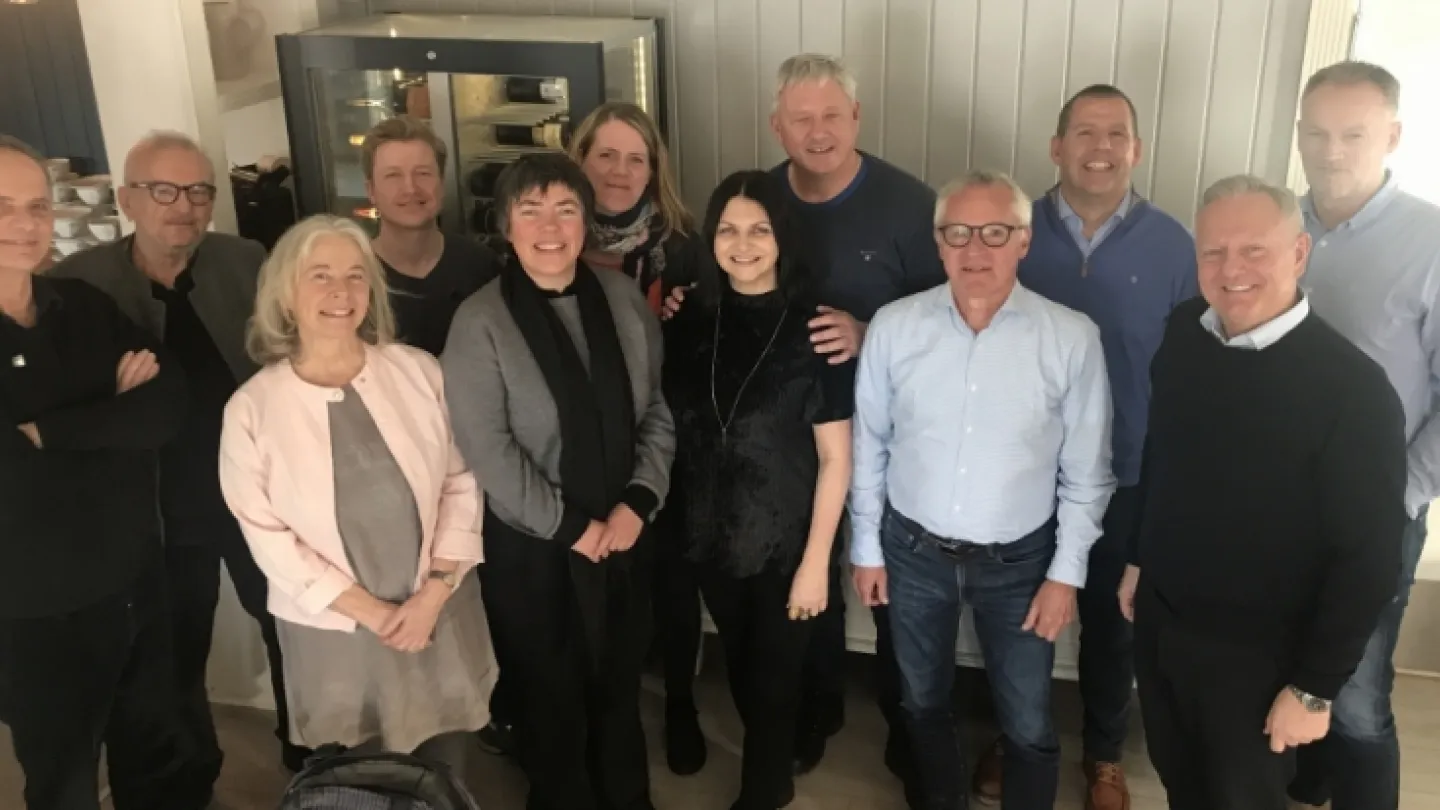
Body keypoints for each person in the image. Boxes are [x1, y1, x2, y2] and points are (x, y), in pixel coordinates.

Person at [668, 53, 945, 785]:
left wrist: (869, 332)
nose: (817, 131)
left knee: (881, 600)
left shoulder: (908, 206)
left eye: (831, 115)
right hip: (776, 456)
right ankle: (805, 724)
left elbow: (950, 319)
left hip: (890, 442)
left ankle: (907, 739)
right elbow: (716, 298)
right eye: (801, 118)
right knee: (793, 613)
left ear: (855, 117)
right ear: (777, 125)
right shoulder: (759, 199)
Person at [1118, 175, 1408, 810]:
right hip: (1166, 625)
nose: (1231, 270)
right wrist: (1141, 558)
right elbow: (1161, 457)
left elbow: (1368, 559)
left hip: (1260, 657)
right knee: (1181, 785)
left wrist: (1314, 689)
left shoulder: (1353, 393)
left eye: (1254, 250)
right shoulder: (1183, 332)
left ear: (1299, 254)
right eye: (1214, 252)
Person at [48, 130, 310, 781]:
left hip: (257, 504)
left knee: (295, 631)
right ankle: (187, 776)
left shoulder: (245, 260)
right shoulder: (78, 282)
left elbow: (290, 363)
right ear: (128, 199)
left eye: (198, 191)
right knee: (171, 654)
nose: (183, 207)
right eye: (163, 190)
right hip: (156, 516)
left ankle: (311, 758)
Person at [852, 169, 1114, 810]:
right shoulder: (894, 327)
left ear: (1023, 241)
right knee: (921, 702)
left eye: (995, 232)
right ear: (938, 243)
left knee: (1027, 720)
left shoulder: (1070, 337)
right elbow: (870, 444)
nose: (975, 249)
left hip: (1021, 564)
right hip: (911, 553)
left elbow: (1088, 470)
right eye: (958, 233)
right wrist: (866, 548)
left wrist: (1066, 575)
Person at [217, 215, 496, 773]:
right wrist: (375, 614)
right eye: (319, 276)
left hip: (436, 606)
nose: (340, 292)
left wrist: (432, 595)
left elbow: (461, 481)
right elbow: (267, 538)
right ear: (286, 294)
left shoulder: (418, 371)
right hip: (336, 628)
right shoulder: (252, 408)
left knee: (446, 752)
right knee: (360, 772)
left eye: (355, 276)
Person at [442, 153, 674, 810]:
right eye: (531, 209)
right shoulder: (480, 322)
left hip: (625, 536)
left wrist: (638, 501)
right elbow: (487, 447)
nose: (550, 226)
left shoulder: (625, 302)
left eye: (566, 208)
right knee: (552, 696)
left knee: (619, 687)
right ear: (506, 225)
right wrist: (572, 527)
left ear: (586, 221)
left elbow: (655, 408)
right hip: (536, 551)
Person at [998, 84, 1198, 810]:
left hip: (1129, 472)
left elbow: (1191, 372)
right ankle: (1016, 737)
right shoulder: (1012, 232)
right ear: (1057, 147)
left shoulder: (1177, 247)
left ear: (1136, 150)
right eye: (1085, 132)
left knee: (1114, 622)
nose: (1101, 148)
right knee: (1020, 617)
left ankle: (1106, 755)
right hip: (1024, 469)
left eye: (1117, 134)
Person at [0, 135, 205, 810]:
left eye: (36, 205)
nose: (26, 224)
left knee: (158, 763)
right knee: (64, 783)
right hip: (34, 615)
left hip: (134, 583)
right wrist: (111, 414)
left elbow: (168, 405)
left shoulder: (80, 306)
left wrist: (48, 433)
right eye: (2, 208)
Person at [664, 169, 853, 809]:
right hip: (707, 535)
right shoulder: (688, 317)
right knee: (744, 675)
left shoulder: (816, 330)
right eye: (728, 230)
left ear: (783, 238)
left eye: (759, 230)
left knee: (774, 682)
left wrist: (816, 567)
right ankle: (769, 764)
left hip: (786, 544)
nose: (742, 244)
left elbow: (836, 459)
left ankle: (764, 793)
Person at [1286, 61, 1440, 810]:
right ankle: (1307, 787)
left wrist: (1399, 495)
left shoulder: (1432, 240)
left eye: (1353, 133)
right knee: (1290, 669)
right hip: (1278, 507)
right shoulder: (1277, 228)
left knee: (1354, 696)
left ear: (1394, 136)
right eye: (1317, 132)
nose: (1332, 150)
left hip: (1376, 513)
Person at [567, 100, 707, 775]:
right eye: (606, 155)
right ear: (579, 160)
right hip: (577, 452)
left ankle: (680, 700)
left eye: (636, 158)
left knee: (672, 584)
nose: (620, 171)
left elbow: (703, 359)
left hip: (663, 445)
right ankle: (596, 712)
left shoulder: (681, 250)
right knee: (591, 588)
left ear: (654, 171)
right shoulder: (545, 237)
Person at [364, 115, 500, 357]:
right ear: (371, 191)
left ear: (441, 183)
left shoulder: (482, 266)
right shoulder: (355, 276)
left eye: (423, 173)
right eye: (393, 175)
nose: (410, 188)